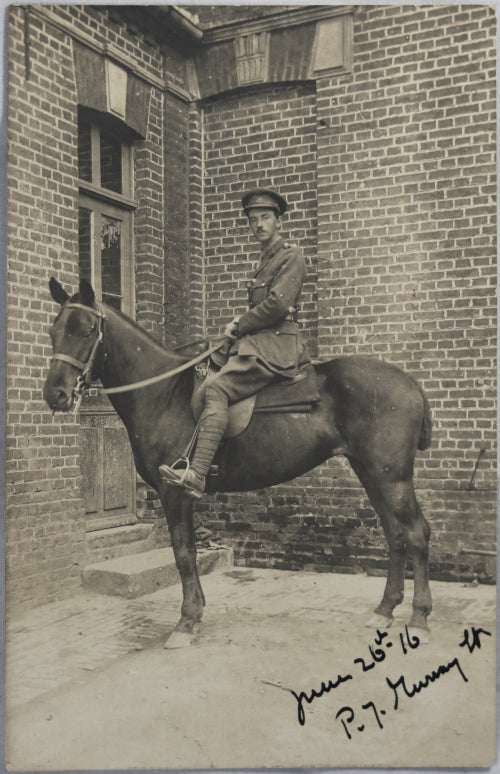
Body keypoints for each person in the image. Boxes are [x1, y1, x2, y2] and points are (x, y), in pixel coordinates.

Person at [160, 187, 311, 498]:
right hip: (259, 344)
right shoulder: (264, 260)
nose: (259, 225)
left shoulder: (290, 255)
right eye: (253, 220)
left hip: (277, 347)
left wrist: (240, 324)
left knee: (216, 389)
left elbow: (278, 306)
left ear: (278, 221)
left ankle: (198, 473)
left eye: (265, 218)